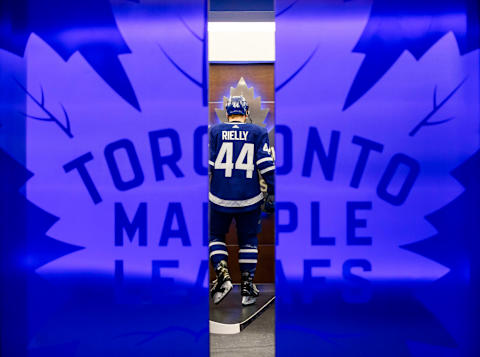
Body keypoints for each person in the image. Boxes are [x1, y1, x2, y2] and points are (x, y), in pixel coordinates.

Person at [209, 95, 275, 306]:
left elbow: (208, 166)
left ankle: (223, 275)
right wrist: (272, 190)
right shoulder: (258, 131)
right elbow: (265, 164)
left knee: (215, 235)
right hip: (249, 198)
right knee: (248, 240)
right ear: (246, 113)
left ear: (227, 113)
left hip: (219, 197)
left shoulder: (216, 131)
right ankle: (247, 288)